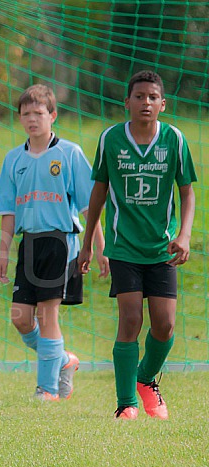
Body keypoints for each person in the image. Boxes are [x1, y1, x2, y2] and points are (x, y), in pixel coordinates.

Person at [78, 70, 196, 420]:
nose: (146, 102)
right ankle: (126, 403)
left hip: (162, 248)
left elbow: (187, 192)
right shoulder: (111, 139)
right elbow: (98, 191)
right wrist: (88, 244)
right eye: (139, 96)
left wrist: (185, 235)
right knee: (130, 319)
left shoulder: (174, 140)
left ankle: (146, 380)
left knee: (165, 325)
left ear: (163, 103)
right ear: (126, 102)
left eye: (152, 97)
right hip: (123, 247)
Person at [0, 85, 108, 401]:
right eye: (26, 114)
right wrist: (3, 252)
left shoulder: (69, 154)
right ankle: (63, 360)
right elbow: (7, 211)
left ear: (52, 116)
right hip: (28, 244)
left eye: (38, 113)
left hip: (61, 242)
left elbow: (90, 206)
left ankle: (47, 389)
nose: (32, 119)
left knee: (47, 315)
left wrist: (99, 247)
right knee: (20, 317)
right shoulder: (13, 159)